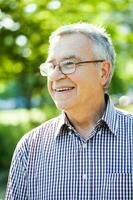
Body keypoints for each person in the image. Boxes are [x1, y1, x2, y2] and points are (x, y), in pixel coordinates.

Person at [6, 23, 133, 200]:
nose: (55, 76)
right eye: (51, 66)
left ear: (103, 72)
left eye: (69, 64)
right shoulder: (29, 148)